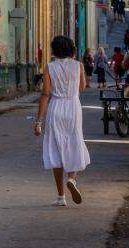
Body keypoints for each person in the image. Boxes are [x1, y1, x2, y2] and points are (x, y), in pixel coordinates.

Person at [34, 35, 90, 206]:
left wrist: (38, 121)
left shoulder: (50, 67)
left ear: (54, 50)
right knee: (74, 143)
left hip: (56, 108)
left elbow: (45, 94)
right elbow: (82, 87)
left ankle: (60, 196)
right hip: (73, 107)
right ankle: (72, 179)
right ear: (71, 50)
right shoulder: (78, 66)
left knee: (56, 149)